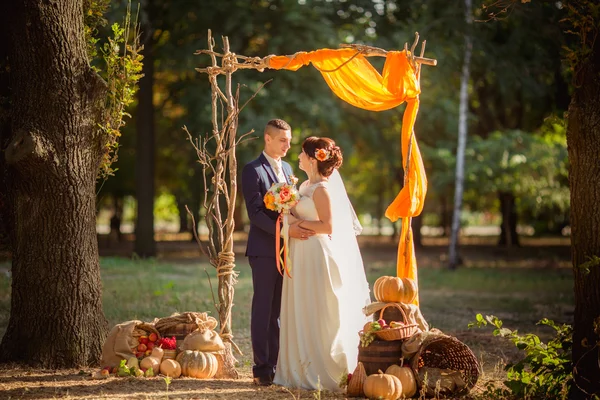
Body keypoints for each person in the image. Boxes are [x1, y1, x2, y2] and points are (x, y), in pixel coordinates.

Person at [274, 136, 371, 392]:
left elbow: (328, 226)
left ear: (313, 158)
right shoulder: (305, 184)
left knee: (318, 310)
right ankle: (298, 368)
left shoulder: (322, 190)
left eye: (301, 154)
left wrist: (296, 224)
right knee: (300, 308)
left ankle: (324, 371)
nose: (297, 157)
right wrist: (290, 219)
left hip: (316, 255)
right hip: (299, 254)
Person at [241, 119, 315, 386]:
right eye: (283, 140)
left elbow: (291, 205)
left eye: (289, 140)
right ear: (268, 139)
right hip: (263, 250)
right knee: (263, 309)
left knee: (280, 309)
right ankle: (262, 368)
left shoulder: (287, 168)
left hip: (288, 250)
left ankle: (277, 364)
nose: (288, 145)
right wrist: (284, 231)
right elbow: (255, 214)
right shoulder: (252, 170)